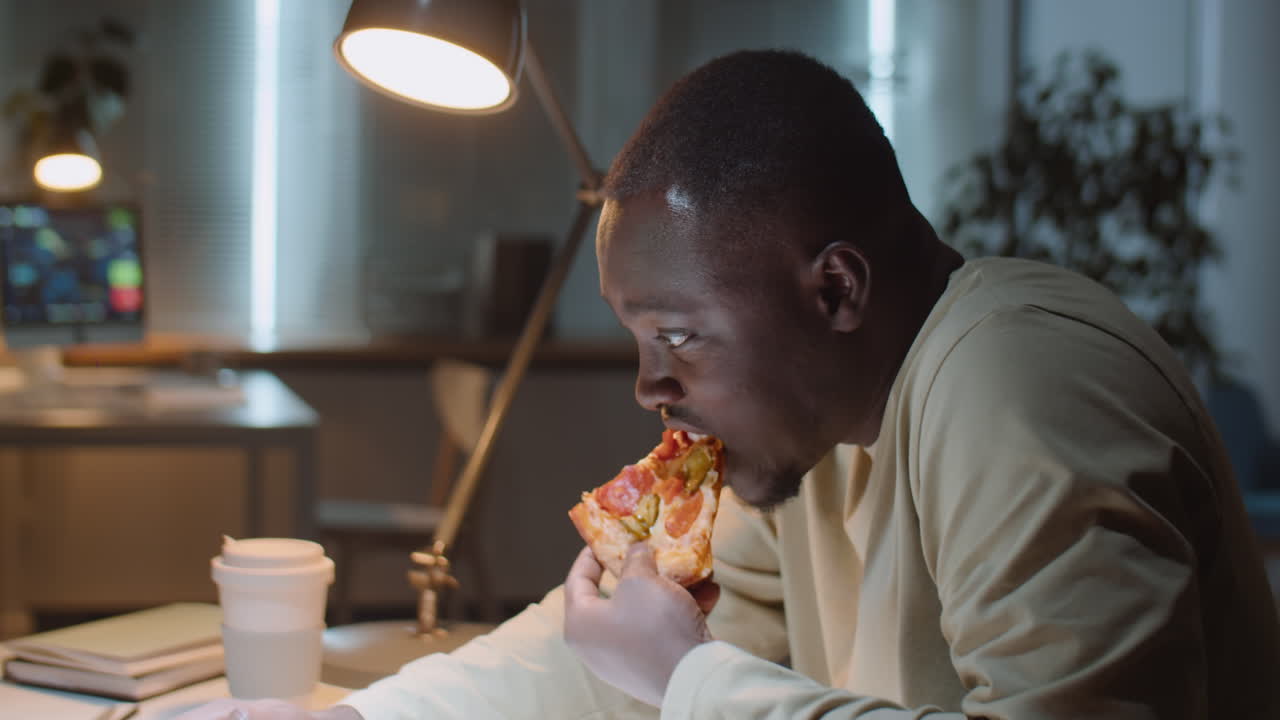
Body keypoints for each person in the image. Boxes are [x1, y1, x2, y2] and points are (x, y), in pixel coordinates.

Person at [180, 49, 1280, 720]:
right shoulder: (807, 447)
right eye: (635, 338)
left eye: (680, 334)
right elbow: (620, 660)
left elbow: (679, 677)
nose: (649, 386)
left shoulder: (1014, 382)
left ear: (834, 289)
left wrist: (690, 681)